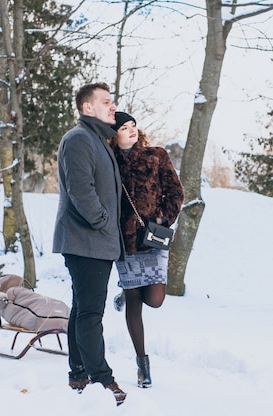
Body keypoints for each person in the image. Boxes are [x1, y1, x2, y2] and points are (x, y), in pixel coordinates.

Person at [52, 83, 127, 406]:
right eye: (106, 102)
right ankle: (102, 379)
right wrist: (104, 223)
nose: (113, 107)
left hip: (94, 241)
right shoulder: (79, 139)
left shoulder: (99, 141)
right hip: (86, 241)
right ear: (87, 108)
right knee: (91, 313)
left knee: (82, 309)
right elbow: (82, 192)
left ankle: (78, 373)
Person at [109, 111, 184, 388]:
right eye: (124, 128)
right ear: (113, 135)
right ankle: (143, 365)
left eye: (133, 126)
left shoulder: (156, 155)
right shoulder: (109, 162)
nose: (131, 131)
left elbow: (176, 191)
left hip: (151, 237)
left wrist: (163, 217)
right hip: (123, 241)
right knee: (134, 303)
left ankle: (125, 292)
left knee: (154, 299)